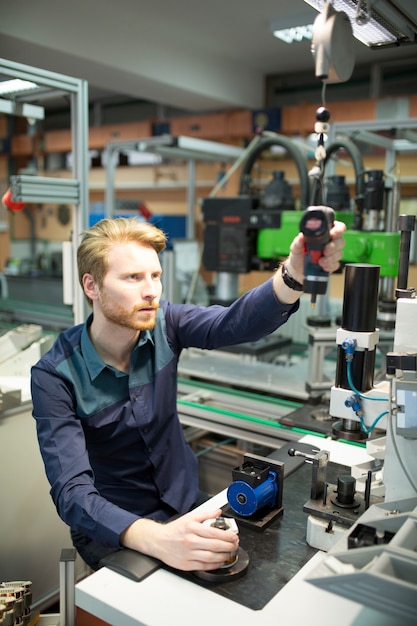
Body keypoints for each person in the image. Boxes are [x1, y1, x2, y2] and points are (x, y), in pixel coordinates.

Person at [31, 215, 345, 573]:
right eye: (133, 277)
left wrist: (293, 274)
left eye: (155, 276)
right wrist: (159, 538)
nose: (151, 290)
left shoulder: (167, 324)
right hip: (113, 532)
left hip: (185, 503)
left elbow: (233, 323)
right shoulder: (55, 376)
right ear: (92, 286)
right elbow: (72, 494)